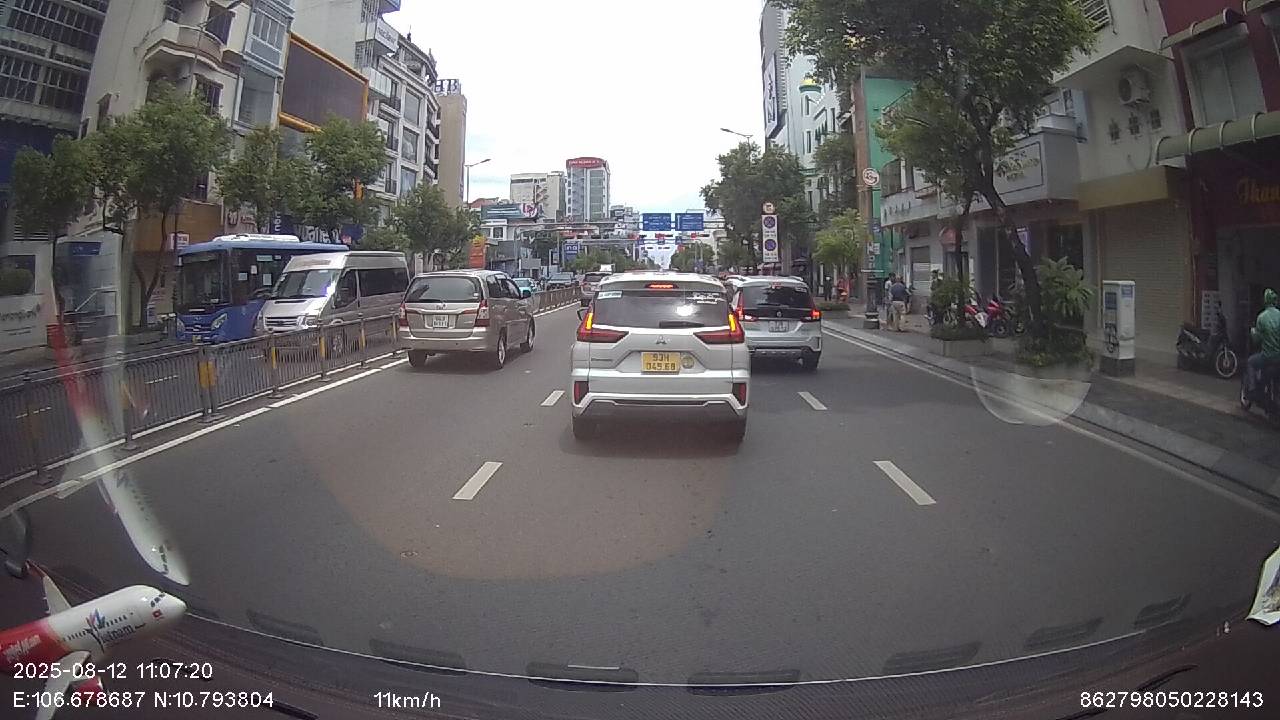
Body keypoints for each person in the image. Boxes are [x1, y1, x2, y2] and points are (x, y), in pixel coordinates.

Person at [1246, 288, 1280, 401]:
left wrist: (1253, 332)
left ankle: (1252, 391)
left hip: (1267, 356)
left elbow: (1256, 340)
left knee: (1250, 362)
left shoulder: (1261, 317)